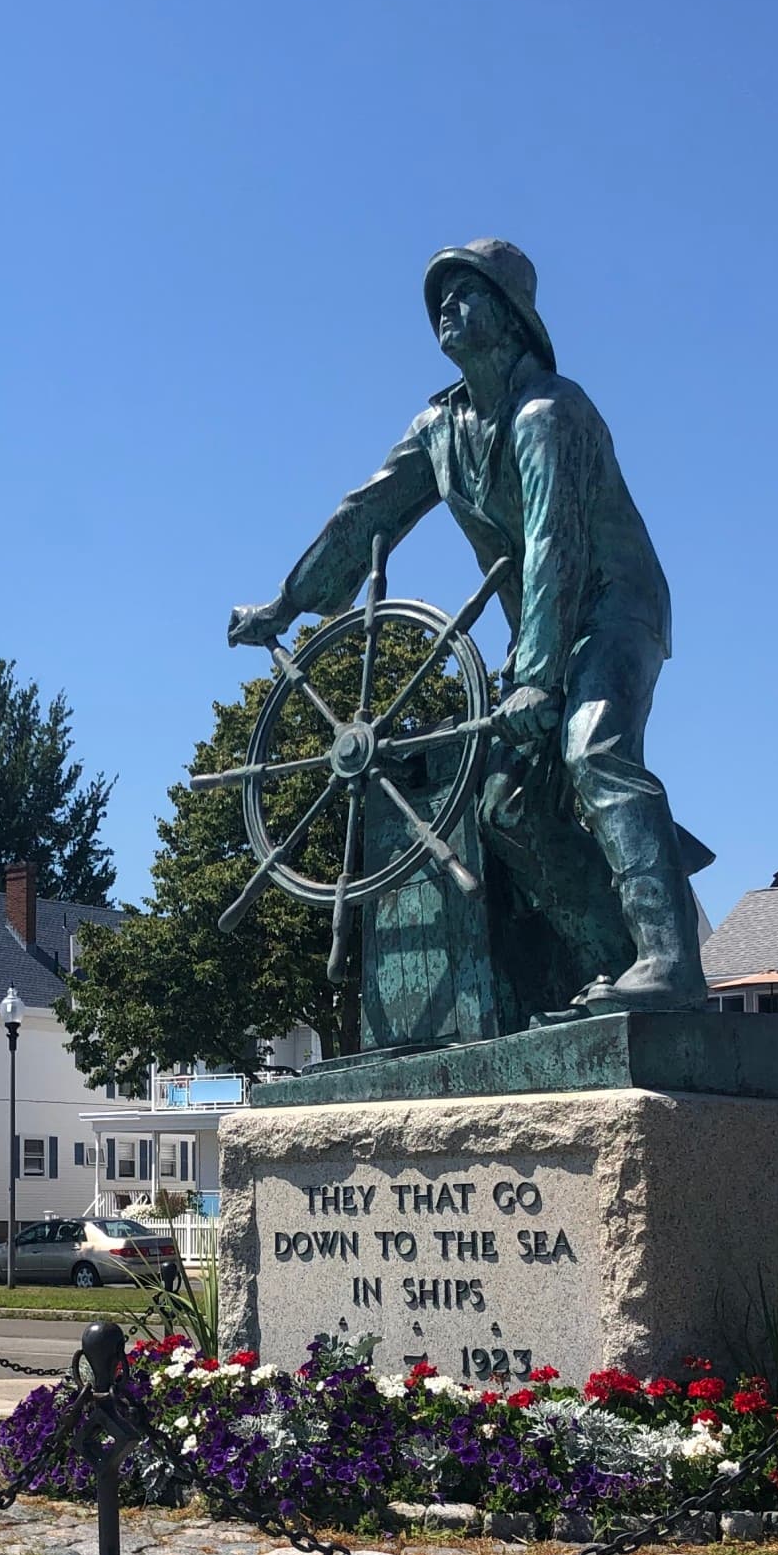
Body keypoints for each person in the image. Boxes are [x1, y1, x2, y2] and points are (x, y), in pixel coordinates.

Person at [230, 239, 710, 1020]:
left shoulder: (550, 412)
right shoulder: (441, 428)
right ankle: (611, 967)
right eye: (437, 299)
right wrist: (286, 607)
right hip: (542, 633)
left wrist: (538, 677)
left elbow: (558, 543)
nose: (444, 309)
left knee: (595, 748)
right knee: (504, 804)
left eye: (464, 293)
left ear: (513, 316)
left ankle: (669, 957)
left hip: (616, 607)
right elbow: (367, 514)